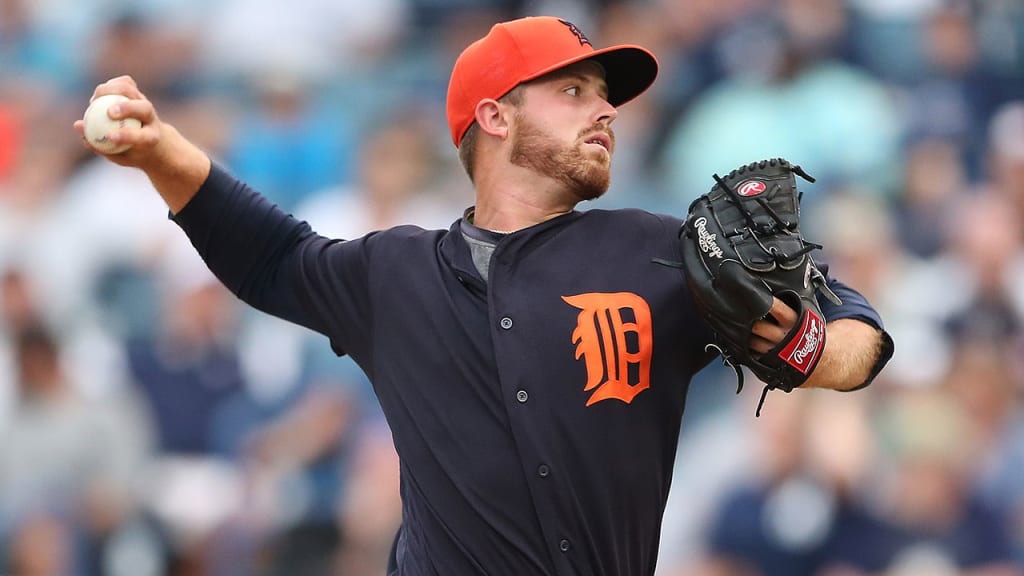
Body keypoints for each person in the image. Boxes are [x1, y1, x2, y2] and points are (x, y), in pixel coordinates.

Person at [74, 15, 892, 575]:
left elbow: (859, 335)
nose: (605, 111)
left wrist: (810, 348)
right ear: (495, 118)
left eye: (605, 95)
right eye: (573, 91)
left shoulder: (661, 250)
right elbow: (268, 251)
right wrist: (161, 153)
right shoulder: (391, 275)